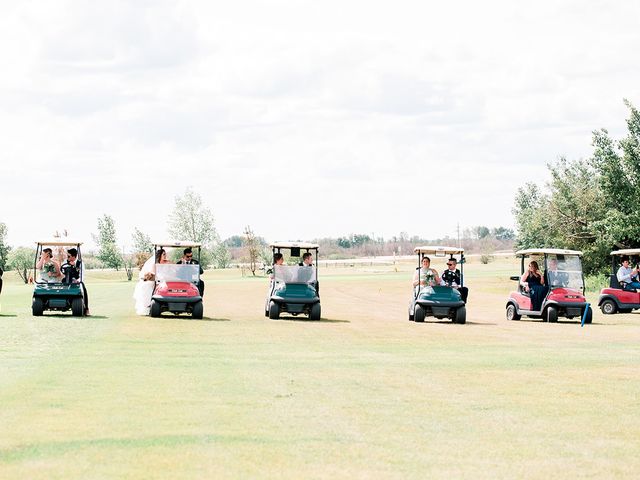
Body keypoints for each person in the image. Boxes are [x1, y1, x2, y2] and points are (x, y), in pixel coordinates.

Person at [133, 248, 169, 315]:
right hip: (154, 281)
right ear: (159, 255)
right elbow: (153, 273)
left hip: (160, 281)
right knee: (148, 287)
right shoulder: (154, 264)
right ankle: (150, 307)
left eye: (165, 254)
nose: (165, 256)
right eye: (163, 254)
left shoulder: (166, 262)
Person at [61, 248, 90, 315]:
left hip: (77, 280)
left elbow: (82, 275)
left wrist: (78, 280)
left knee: (83, 289)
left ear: (74, 257)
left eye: (69, 256)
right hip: (67, 279)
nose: (67, 258)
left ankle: (86, 308)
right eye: (67, 256)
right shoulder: (65, 262)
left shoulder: (80, 263)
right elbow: (62, 271)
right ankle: (63, 304)